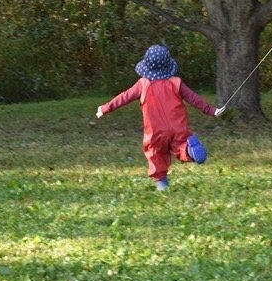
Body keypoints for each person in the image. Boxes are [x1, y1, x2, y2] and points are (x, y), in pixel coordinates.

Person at [96, 44, 225, 191]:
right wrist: (212, 111)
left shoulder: (142, 84)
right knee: (181, 147)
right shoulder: (176, 83)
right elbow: (194, 99)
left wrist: (104, 108)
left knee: (155, 153)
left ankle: (162, 184)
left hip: (155, 132)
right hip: (178, 128)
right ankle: (190, 152)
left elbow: (124, 97)